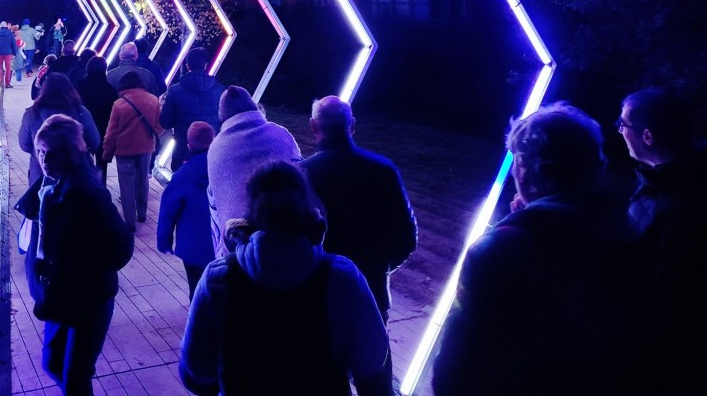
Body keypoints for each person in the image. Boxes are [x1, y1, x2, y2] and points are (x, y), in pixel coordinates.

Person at [431, 103, 653, 396]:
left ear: (524, 169)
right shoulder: (631, 234)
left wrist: (514, 228)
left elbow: (455, 372)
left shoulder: (500, 251)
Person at [179, 161, 388, 396]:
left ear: (250, 212)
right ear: (307, 210)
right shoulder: (343, 277)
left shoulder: (218, 279)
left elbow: (196, 373)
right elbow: (371, 362)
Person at [300, 96, 417, 396]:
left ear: (314, 126)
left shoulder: (302, 174)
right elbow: (407, 236)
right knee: (377, 380)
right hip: (373, 290)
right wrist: (380, 267)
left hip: (318, 298)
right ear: (353, 125)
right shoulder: (383, 170)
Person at [18, 114, 134, 396]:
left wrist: (78, 265)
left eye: (52, 153)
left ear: (69, 154)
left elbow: (121, 248)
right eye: (41, 152)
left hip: (89, 298)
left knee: (75, 377)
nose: (44, 160)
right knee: (54, 363)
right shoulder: (50, 185)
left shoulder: (88, 194)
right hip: (63, 294)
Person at [617, 87, 707, 386]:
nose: (618, 130)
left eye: (624, 124)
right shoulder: (666, 184)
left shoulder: (675, 206)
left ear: (647, 137)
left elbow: (665, 294)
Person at [207, 85, 302, 258]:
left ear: (223, 114)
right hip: (288, 235)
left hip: (240, 247)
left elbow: (215, 202)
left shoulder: (217, 147)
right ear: (252, 105)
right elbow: (301, 175)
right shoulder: (280, 134)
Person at [157, 121, 217, 298]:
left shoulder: (183, 175)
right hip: (223, 245)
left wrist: (164, 243)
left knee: (197, 290)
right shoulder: (224, 166)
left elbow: (168, 211)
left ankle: (198, 321)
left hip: (192, 246)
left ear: (190, 145)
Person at [102, 71, 162, 232]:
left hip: (124, 149)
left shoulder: (119, 104)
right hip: (146, 147)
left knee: (126, 185)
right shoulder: (153, 100)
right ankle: (142, 213)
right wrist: (152, 135)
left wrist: (107, 152)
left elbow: (111, 132)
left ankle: (129, 221)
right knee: (143, 180)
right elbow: (160, 125)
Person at [20, 73, 101, 186]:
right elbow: (95, 142)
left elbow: (24, 144)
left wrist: (41, 152)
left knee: (42, 201)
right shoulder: (81, 112)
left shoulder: (32, 114)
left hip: (40, 173)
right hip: (76, 174)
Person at [159, 46, 226, 171]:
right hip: (211, 151)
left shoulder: (175, 91)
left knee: (181, 181)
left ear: (187, 65)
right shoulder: (220, 90)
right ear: (205, 65)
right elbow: (224, 121)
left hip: (183, 148)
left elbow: (165, 122)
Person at [75, 55, 118, 186]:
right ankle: (101, 188)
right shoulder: (110, 89)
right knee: (102, 164)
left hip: (83, 131)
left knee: (83, 162)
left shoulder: (80, 87)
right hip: (103, 129)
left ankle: (85, 189)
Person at [0, 20, 19, 89]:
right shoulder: (10, 34)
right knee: (8, 69)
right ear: (6, 26)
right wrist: (15, 53)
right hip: (8, 53)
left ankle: (0, 83)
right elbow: (14, 44)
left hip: (0, 53)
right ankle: (7, 84)